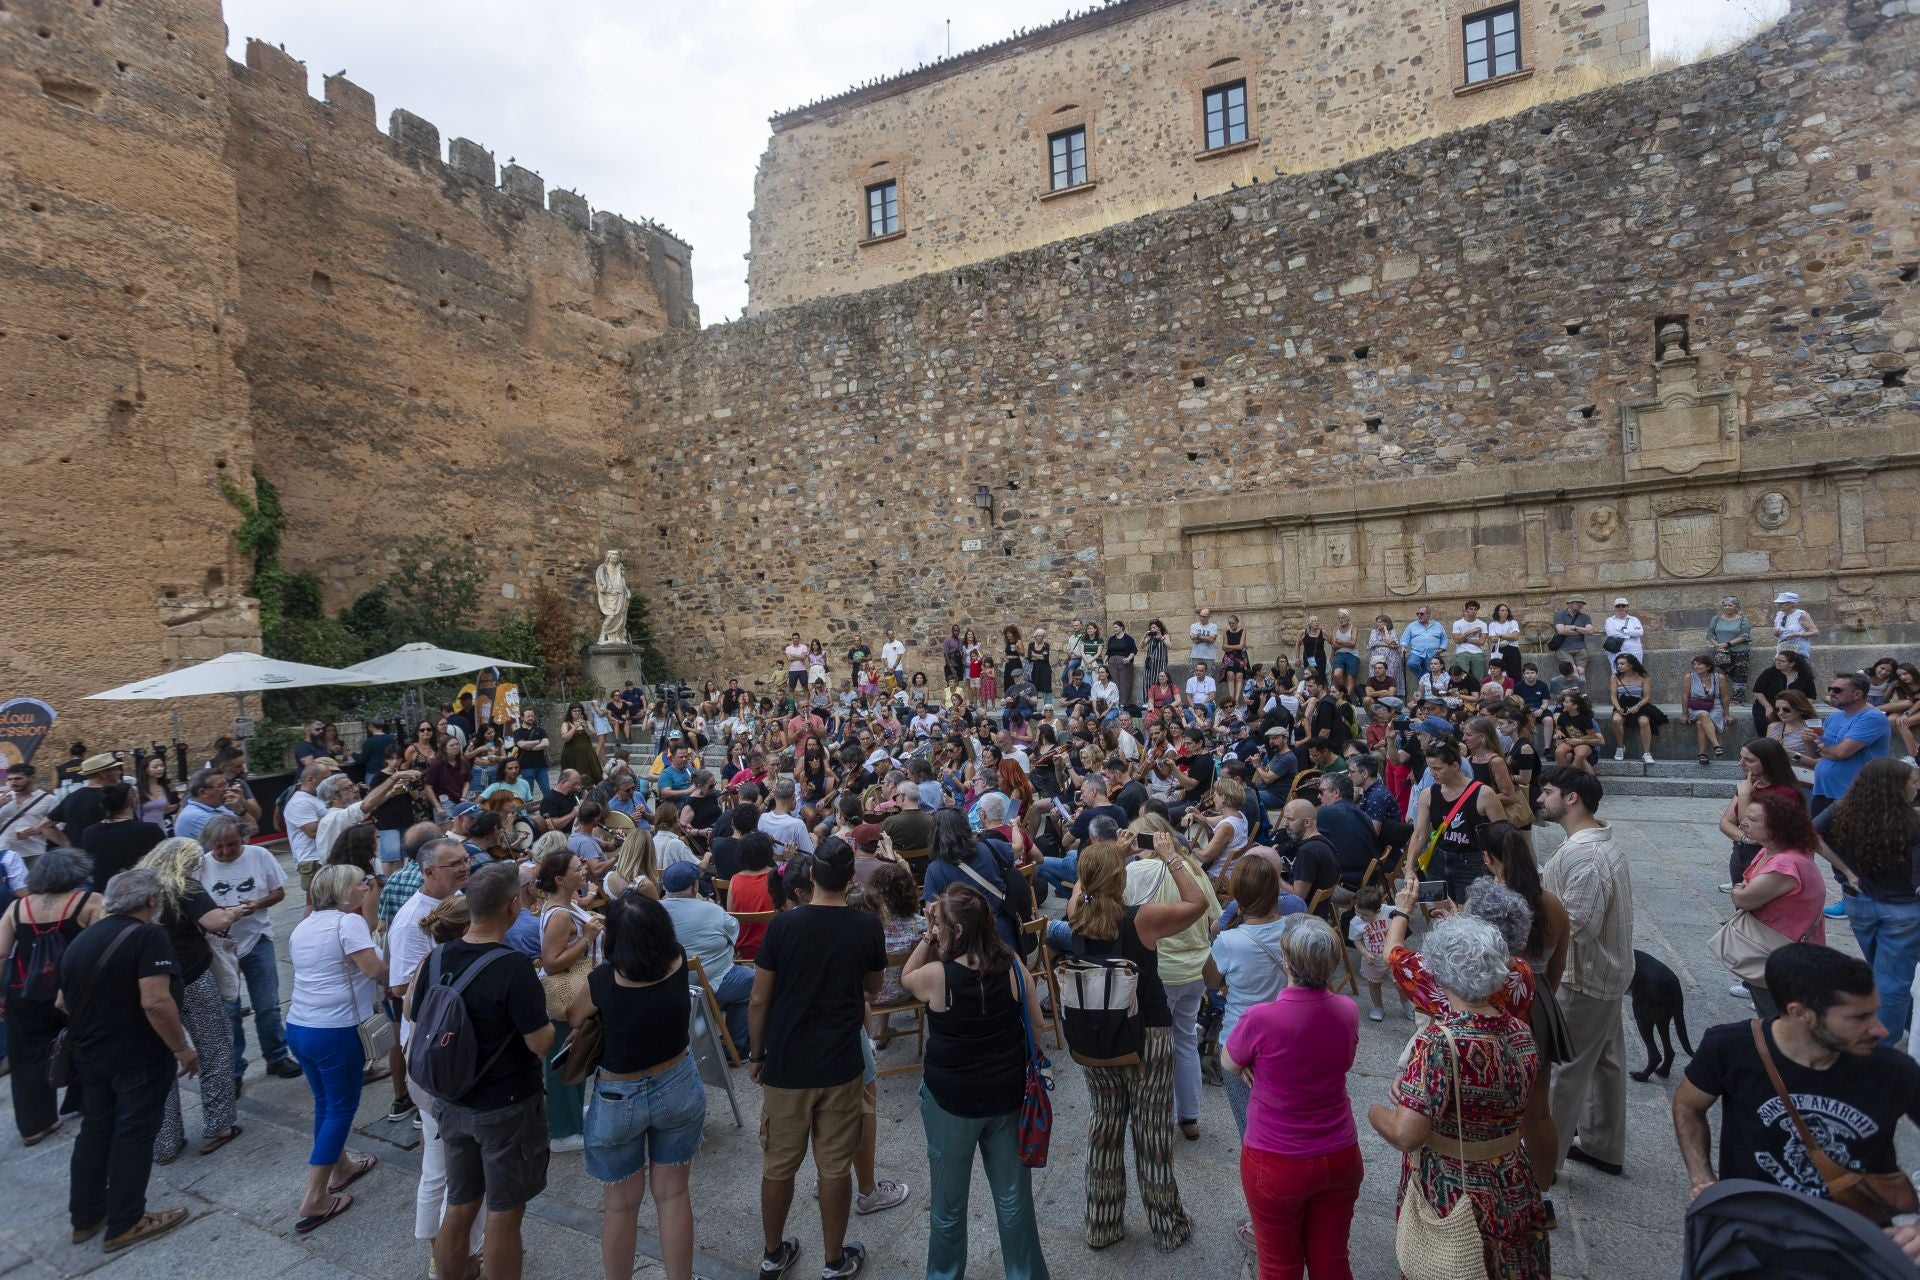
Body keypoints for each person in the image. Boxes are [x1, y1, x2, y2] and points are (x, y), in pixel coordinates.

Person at [1673, 944, 1920, 1209]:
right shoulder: (1729, 1048)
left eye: (1874, 1012)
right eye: (1859, 1018)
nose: (1880, 1030)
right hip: (1751, 1226)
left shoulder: (1894, 1070)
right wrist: (1702, 1179)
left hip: (1854, 1237)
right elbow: (1688, 1105)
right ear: (1801, 1013)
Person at [1369, 914, 1548, 1280]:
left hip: (1454, 1190)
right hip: (1513, 1183)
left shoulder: (1439, 1043)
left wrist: (1375, 1112)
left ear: (1441, 972)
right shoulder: (1521, 1032)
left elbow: (1407, 1134)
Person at [747, 838, 886, 1280]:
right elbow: (874, 987)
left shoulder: (783, 928)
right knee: (833, 1166)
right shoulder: (865, 928)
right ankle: (833, 1259)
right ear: (849, 878)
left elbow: (758, 999)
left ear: (810, 876)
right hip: (840, 1061)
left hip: (787, 1062)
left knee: (779, 1164)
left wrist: (756, 1053)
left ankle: (773, 1253)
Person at [900, 884, 1050, 1280]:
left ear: (958, 932)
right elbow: (1037, 1026)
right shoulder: (1015, 966)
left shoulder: (936, 976)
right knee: (1014, 1200)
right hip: (1007, 1094)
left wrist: (927, 937)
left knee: (948, 1206)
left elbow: (906, 977)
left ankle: (945, 1274)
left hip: (951, 1100)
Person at [412, 862, 554, 1280]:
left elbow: (419, 1014)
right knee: (505, 1212)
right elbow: (539, 1042)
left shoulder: (437, 957)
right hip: (505, 1104)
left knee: (460, 1203)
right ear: (513, 907)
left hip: (451, 1101)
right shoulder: (512, 966)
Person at [1063, 835, 1205, 1252]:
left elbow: (1082, 889)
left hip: (1094, 1035)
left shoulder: (1076, 914)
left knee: (1104, 1128)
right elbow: (1195, 905)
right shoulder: (1140, 919)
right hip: (1147, 1034)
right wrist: (1171, 857)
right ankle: (1167, 1225)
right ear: (1121, 878)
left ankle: (1103, 1224)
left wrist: (1108, 856)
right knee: (1152, 1132)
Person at [565, 893, 706, 1280]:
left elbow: (575, 1015)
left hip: (618, 1095)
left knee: (619, 1207)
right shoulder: (676, 960)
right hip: (677, 1080)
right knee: (674, 1194)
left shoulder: (603, 981)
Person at [60, 868, 196, 1253]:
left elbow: (62, 1001)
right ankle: (127, 1220)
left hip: (90, 1052)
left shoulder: (84, 939)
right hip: (135, 1052)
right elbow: (155, 1000)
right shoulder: (147, 935)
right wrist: (181, 1048)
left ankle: (85, 1217)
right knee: (134, 1132)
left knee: (95, 1130)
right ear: (152, 900)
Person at [1225, 914, 1363, 1278]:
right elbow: (1345, 1061)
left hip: (1275, 1159)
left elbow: (1228, 1059)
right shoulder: (1348, 1011)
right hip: (1340, 1153)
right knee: (1332, 1259)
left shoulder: (1260, 1017)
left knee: (1279, 1264)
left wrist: (1246, 1066)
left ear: (1287, 962)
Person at [1538, 767, 1633, 1183]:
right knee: (1606, 1062)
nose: (1540, 798)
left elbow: (1577, 924)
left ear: (1572, 798)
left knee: (1564, 1070)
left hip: (1584, 976)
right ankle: (1602, 1145)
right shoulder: (1592, 846)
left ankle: (1546, 1161)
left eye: (1547, 791)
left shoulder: (1588, 856)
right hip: (1607, 972)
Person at [283, 865, 386, 1233]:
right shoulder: (348, 923)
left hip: (299, 1026)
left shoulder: (304, 924)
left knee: (325, 1104)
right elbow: (374, 970)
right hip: (336, 1030)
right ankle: (315, 1196)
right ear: (344, 892)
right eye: (361, 883)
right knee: (340, 1107)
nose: (366, 886)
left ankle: (340, 1166)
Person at [135, 837, 238, 1163]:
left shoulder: (138, 888)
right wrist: (233, 912)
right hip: (191, 977)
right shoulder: (185, 886)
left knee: (158, 1060)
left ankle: (165, 1141)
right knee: (215, 1047)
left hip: (148, 985)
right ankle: (220, 1124)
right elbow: (215, 922)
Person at [0, 848, 100, 1144]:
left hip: (25, 991)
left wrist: (1, 995)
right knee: (87, 1046)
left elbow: (1, 953)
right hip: (74, 991)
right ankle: (88, 1102)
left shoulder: (17, 909)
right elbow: (101, 946)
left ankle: (35, 1125)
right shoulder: (89, 902)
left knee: (26, 1058)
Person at [195, 815, 300, 1086]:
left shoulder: (259, 855)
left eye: (232, 844)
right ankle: (234, 1068)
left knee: (267, 1004)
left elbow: (279, 892)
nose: (226, 851)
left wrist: (258, 903)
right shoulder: (200, 865)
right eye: (218, 847)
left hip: (256, 938)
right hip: (217, 946)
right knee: (228, 1011)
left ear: (243, 839)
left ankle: (276, 1056)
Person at [1821, 758, 1920, 1042]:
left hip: (1859, 903)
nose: (1917, 786)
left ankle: (1904, 1025)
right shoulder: (1912, 821)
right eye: (1913, 781)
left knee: (1883, 972)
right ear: (1895, 787)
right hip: (1903, 911)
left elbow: (1809, 836)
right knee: (1893, 980)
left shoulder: (1841, 811)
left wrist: (1845, 870)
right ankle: (1881, 1047)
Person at [1727, 789, 1827, 1016]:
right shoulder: (1771, 851)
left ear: (1776, 826)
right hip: (1778, 949)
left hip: (1781, 955)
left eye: (1752, 819)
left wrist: (1739, 891)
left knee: (1777, 1019)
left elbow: (1744, 899)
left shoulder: (1784, 864)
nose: (1743, 823)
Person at [537, 849, 600, 1153]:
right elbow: (551, 962)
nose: (583, 870)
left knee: (577, 1054)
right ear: (560, 879)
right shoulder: (560, 914)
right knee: (563, 1061)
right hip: (566, 995)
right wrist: (586, 939)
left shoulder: (565, 904)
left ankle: (573, 1116)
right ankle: (563, 1131)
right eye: (577, 869)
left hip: (577, 991)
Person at [658, 860, 752, 1049]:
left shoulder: (651, 910)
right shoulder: (712, 910)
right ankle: (737, 1046)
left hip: (665, 987)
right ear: (695, 886)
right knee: (751, 980)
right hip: (709, 985)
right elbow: (734, 933)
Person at [1405, 742, 1504, 905]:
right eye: (1430, 768)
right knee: (1439, 915)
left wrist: (1501, 872)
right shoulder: (1428, 794)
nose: (1433, 774)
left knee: (1469, 919)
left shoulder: (1484, 793)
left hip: (1472, 864)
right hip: (1438, 861)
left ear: (1455, 766)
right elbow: (1420, 834)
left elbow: (1503, 835)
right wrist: (1409, 867)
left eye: (1438, 768)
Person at [1809, 670, 1891, 818]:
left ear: (1858, 694)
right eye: (1830, 689)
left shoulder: (1872, 718)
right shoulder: (1833, 717)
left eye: (1837, 690)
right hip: (1823, 793)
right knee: (1817, 839)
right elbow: (1815, 753)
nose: (1831, 693)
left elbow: (1841, 753)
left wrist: (1821, 748)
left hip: (1853, 797)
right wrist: (1810, 743)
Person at [80, 782, 166, 888]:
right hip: (139, 894)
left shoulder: (88, 832)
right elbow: (165, 863)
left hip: (103, 895)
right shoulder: (149, 830)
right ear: (132, 802)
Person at [1608, 653, 1664, 765]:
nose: (1619, 666)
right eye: (1618, 664)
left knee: (1644, 721)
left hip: (1639, 704)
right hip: (1622, 704)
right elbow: (1613, 696)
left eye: (1622, 663)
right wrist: (1618, 709)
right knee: (1616, 720)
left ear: (1631, 665)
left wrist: (1637, 707)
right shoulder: (1614, 677)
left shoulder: (1644, 677)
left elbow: (1647, 696)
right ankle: (1620, 747)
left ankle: (1647, 753)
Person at [1752, 648, 1817, 739]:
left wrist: (1801, 709)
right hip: (1767, 705)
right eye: (1776, 660)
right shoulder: (1769, 672)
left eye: (1781, 661)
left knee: (1809, 722)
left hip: (1794, 708)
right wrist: (1768, 707)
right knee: (1765, 723)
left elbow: (1811, 696)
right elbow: (1757, 691)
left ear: (1792, 663)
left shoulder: (1804, 675)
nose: (1777, 662)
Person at [1682, 653, 1732, 765]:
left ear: (1708, 666)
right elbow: (1685, 696)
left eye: (1699, 664)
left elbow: (1724, 696)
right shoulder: (1689, 677)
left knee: (1701, 723)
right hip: (1695, 707)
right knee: (1703, 714)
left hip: (1715, 706)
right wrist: (1684, 714)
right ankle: (1716, 745)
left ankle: (1702, 754)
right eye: (1694, 665)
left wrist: (1727, 714)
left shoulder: (1719, 678)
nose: (1696, 667)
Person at [1707, 596, 1754, 702]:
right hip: (1722, 651)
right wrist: (1717, 645)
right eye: (1725, 605)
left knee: (1741, 673)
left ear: (1736, 607)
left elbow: (1744, 636)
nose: (1727, 607)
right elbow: (1710, 634)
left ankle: (1737, 699)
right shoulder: (1716, 619)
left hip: (1740, 651)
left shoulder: (1743, 620)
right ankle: (1721, 694)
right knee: (1728, 670)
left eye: (1730, 605)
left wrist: (1727, 644)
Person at [1771, 590, 1819, 658]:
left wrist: (1797, 634)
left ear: (1792, 603)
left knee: (1797, 668)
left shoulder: (1801, 615)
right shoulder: (1779, 614)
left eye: (1782, 603)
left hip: (1798, 650)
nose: (1779, 605)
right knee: (1779, 667)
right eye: (1779, 603)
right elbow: (1779, 634)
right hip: (1783, 648)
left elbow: (1815, 632)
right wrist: (1776, 632)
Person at [1604, 597, 1645, 662]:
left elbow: (1639, 633)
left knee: (1636, 670)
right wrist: (1629, 635)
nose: (1621, 608)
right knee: (1617, 671)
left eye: (1623, 605)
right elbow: (1611, 633)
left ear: (1627, 607)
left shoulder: (1634, 620)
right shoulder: (1610, 620)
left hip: (1634, 649)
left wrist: (1624, 630)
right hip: (1617, 650)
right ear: (1615, 608)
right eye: (1618, 606)